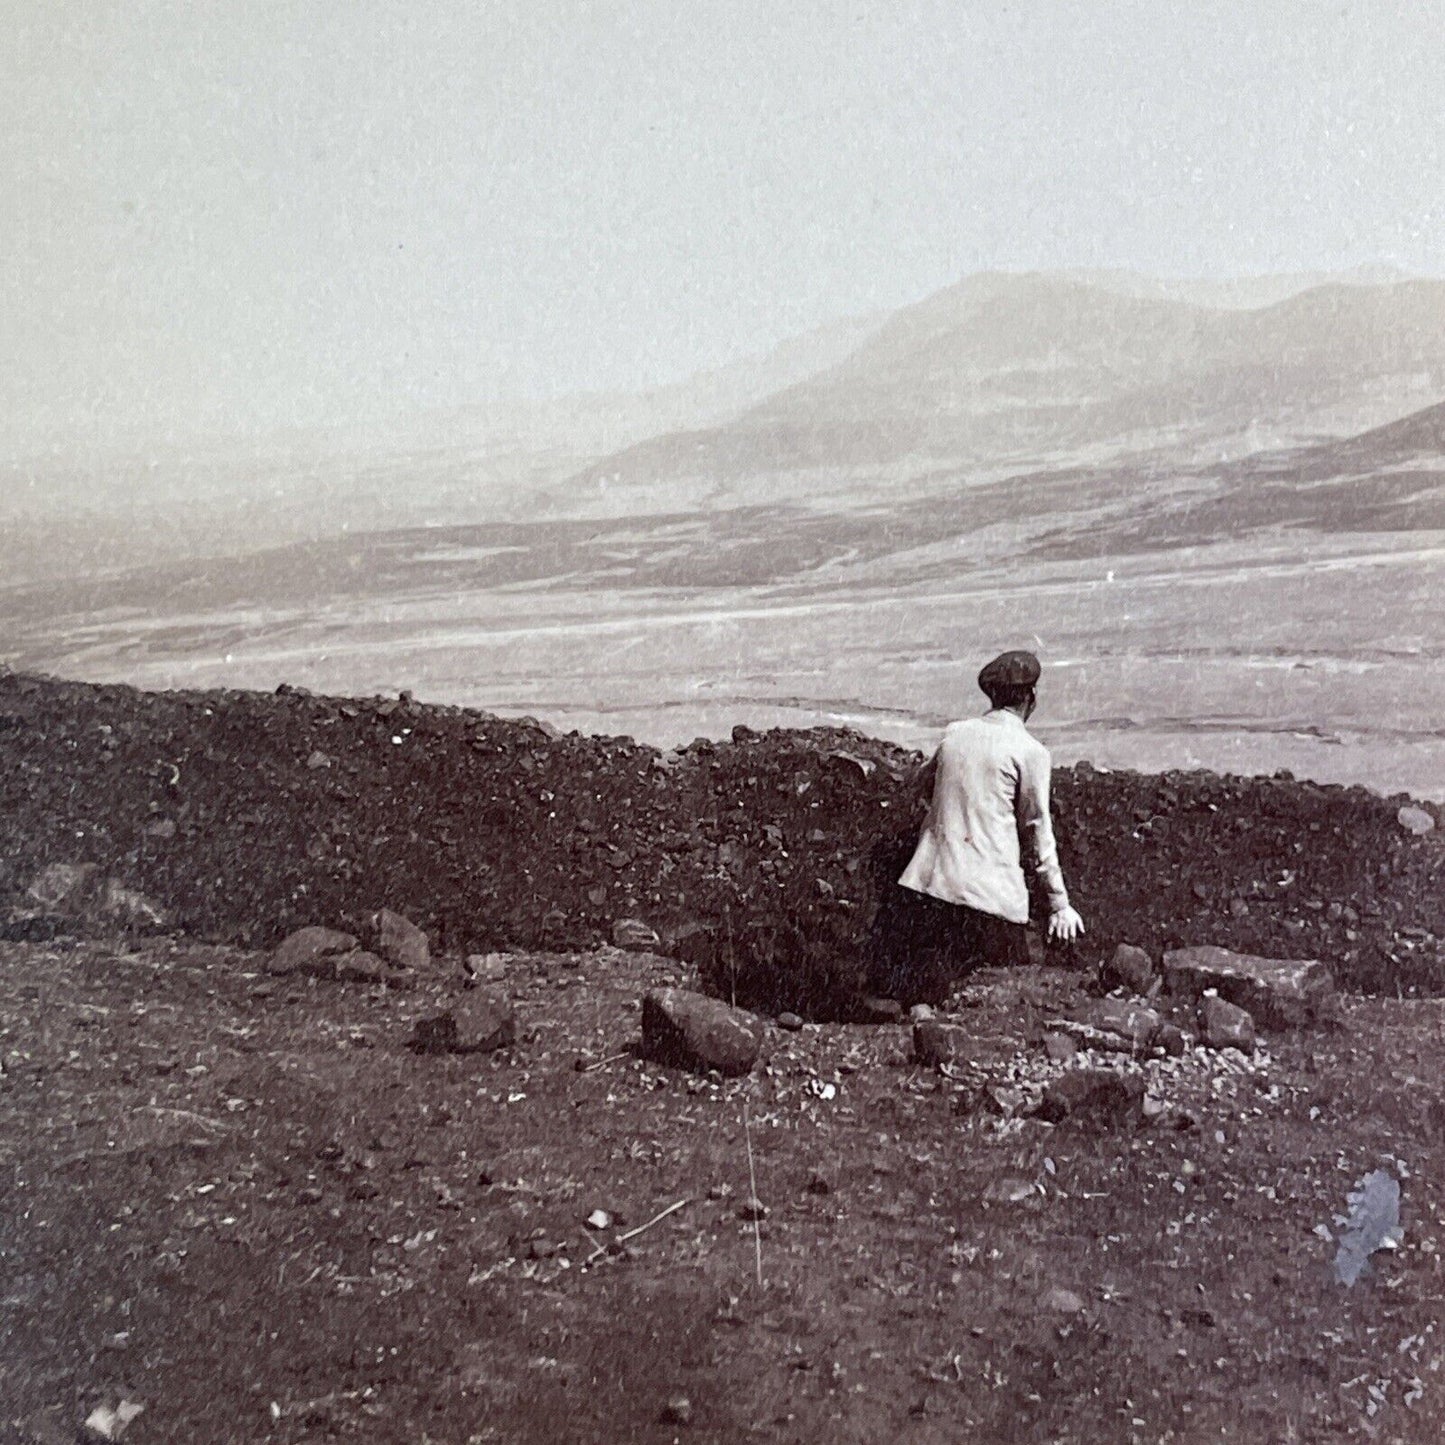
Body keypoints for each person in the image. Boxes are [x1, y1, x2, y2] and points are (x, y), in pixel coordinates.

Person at [866, 649, 1084, 1006]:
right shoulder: (1031, 751)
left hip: (930, 890)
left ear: (992, 696)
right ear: (1031, 698)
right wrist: (1059, 903)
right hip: (990, 902)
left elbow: (921, 786)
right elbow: (1038, 830)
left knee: (926, 991)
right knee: (1008, 988)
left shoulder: (955, 733)